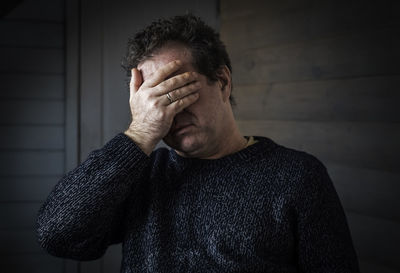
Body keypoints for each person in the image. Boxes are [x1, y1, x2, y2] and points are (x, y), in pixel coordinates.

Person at [37, 14, 360, 273]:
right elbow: (57, 234)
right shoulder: (141, 176)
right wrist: (139, 134)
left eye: (177, 91)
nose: (170, 112)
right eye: (156, 99)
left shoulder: (298, 176)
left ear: (222, 81)